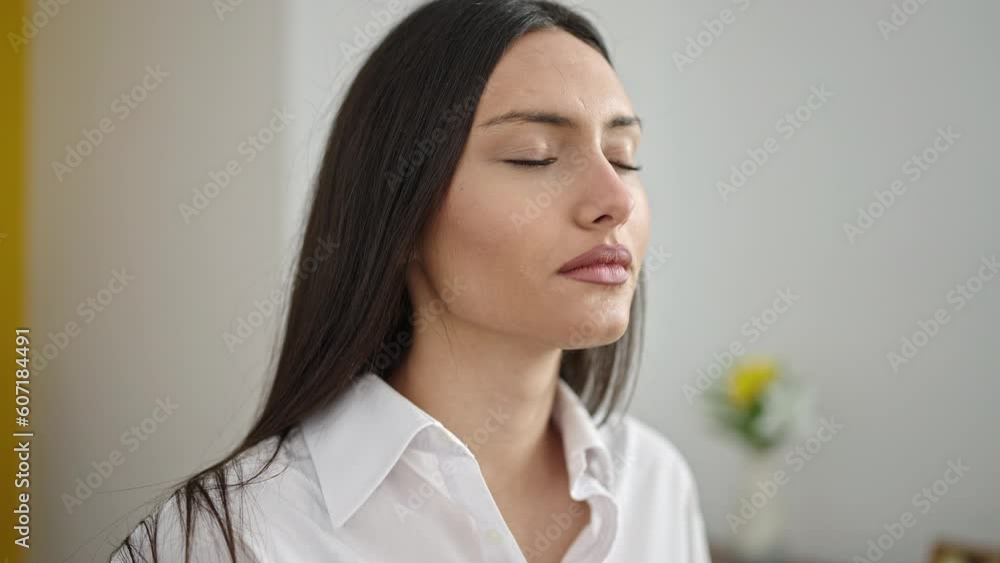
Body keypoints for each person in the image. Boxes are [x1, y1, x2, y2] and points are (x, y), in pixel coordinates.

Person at [110, 1, 711, 561]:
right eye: (534, 155)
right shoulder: (232, 533)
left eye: (624, 156)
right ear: (399, 213)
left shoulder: (656, 484)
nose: (615, 199)